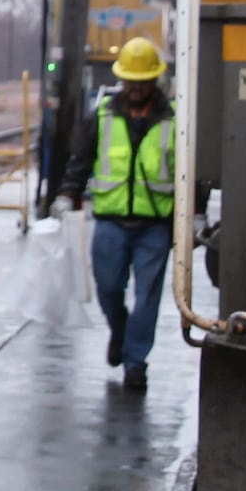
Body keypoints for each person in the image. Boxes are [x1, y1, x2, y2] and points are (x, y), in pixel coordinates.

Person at [52, 36, 178, 394]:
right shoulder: (102, 116)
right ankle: (120, 334)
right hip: (110, 221)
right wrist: (66, 194)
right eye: (131, 81)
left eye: (143, 81)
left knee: (148, 297)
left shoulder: (174, 121)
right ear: (122, 80)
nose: (136, 88)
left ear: (155, 80)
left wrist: (193, 215)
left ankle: (136, 363)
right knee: (108, 289)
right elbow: (81, 160)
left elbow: (189, 171)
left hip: (155, 223)